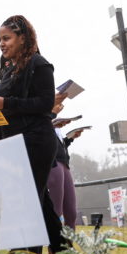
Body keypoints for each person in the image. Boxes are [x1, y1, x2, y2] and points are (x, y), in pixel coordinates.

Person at [0, 15, 71, 254]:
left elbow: (45, 103)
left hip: (36, 140)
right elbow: (6, 108)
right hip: (14, 141)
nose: (1, 43)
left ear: (22, 38)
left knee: (26, 200)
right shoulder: (8, 72)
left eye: (6, 38)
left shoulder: (39, 65)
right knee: (40, 202)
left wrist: (5, 102)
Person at [48, 95, 84, 231]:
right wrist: (52, 115)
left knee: (71, 212)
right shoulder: (45, 118)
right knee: (56, 210)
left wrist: (71, 138)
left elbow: (59, 144)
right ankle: (55, 250)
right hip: (53, 163)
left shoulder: (56, 126)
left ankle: (69, 248)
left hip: (64, 162)